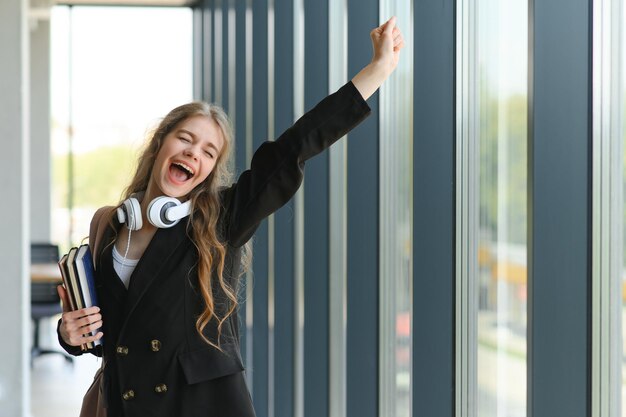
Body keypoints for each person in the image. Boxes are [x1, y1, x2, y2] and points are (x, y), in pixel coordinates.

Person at [57, 15, 405, 417]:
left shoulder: (220, 219)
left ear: (209, 171)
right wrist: (69, 334)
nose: (193, 153)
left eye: (208, 151)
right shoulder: (112, 223)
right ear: (159, 145)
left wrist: (376, 71)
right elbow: (110, 336)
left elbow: (294, 148)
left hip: (200, 407)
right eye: (185, 139)